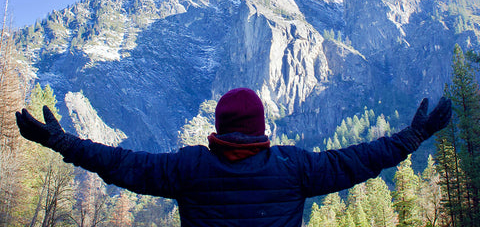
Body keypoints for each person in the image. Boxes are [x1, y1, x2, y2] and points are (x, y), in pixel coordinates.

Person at [16, 87, 452, 227]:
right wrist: (414, 136)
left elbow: (121, 164)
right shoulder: (294, 167)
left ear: (220, 128)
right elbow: (359, 160)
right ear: (262, 128)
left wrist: (62, 143)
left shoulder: (188, 168)